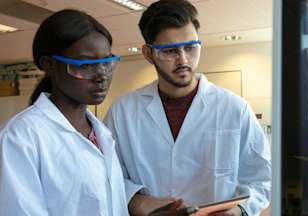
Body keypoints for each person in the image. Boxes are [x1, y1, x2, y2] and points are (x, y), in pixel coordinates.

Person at [104, 0, 272, 215]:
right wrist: (137, 202)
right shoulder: (123, 112)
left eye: (191, 48)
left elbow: (261, 178)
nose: (183, 60)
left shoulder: (234, 108)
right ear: (148, 54)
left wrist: (239, 210)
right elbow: (107, 175)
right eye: (170, 51)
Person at [0, 9, 129, 216]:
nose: (101, 75)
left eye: (106, 62)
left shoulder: (100, 133)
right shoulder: (20, 137)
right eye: (86, 65)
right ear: (49, 65)